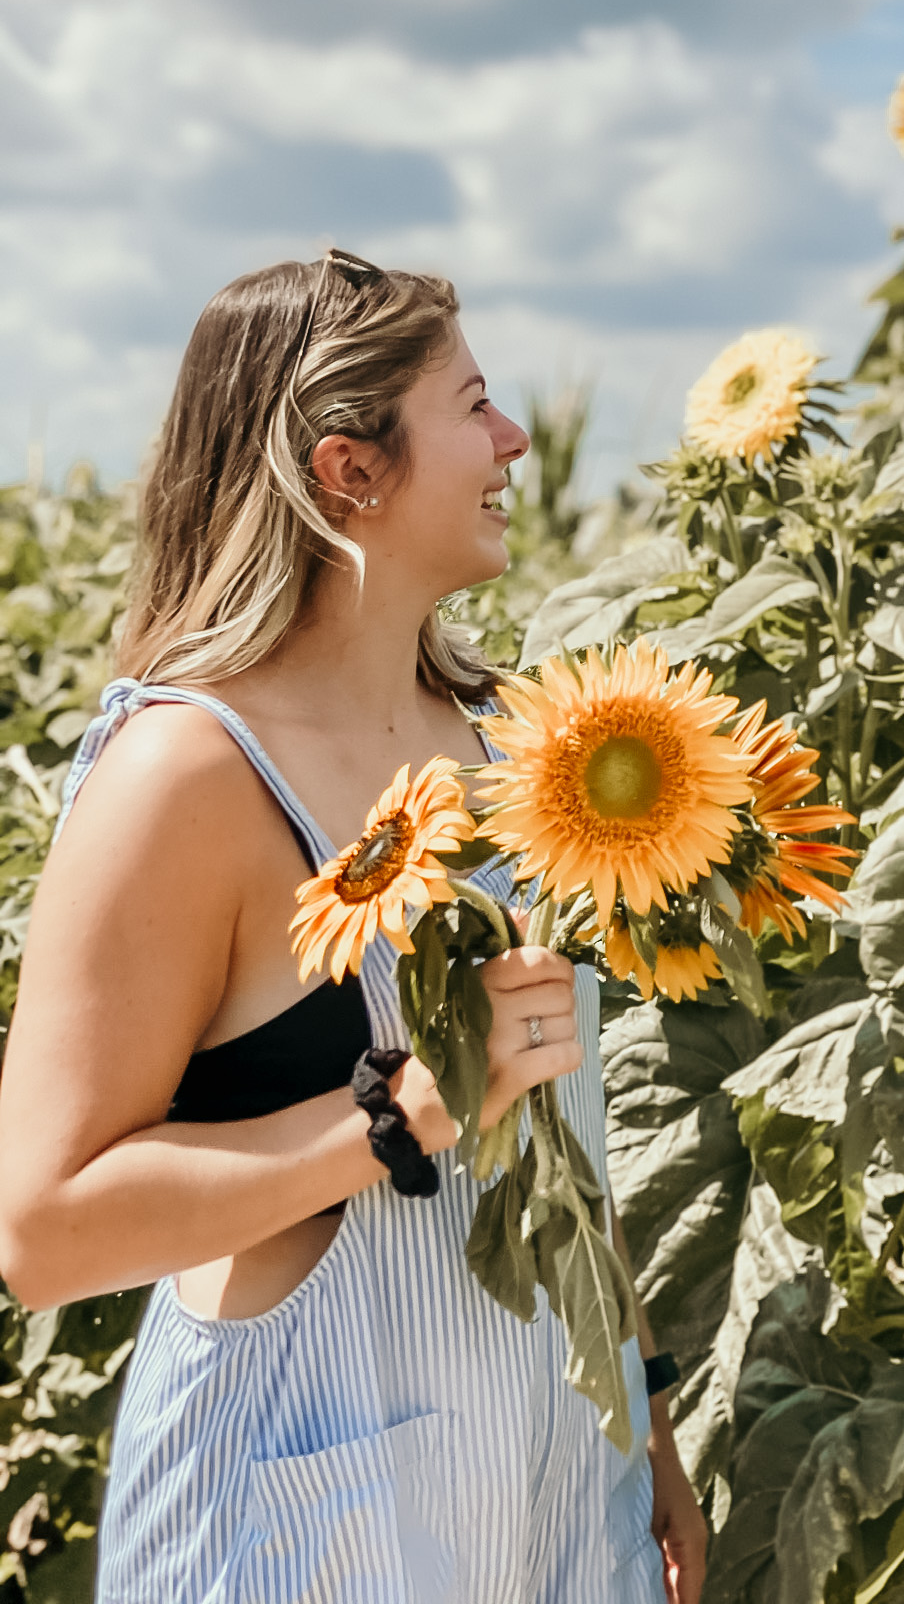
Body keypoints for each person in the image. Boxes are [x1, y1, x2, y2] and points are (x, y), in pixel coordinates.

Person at [0, 251, 707, 1604]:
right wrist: (394, 1117)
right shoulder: (189, 777)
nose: (515, 440)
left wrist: (647, 1415)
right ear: (350, 470)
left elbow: (561, 1134)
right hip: (301, 1498)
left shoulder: (506, 739)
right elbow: (44, 1230)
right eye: (475, 406)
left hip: (556, 1478)